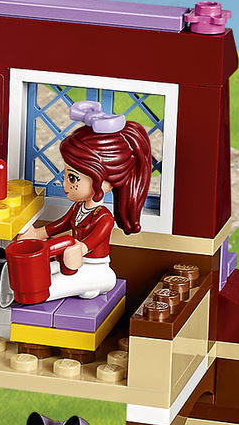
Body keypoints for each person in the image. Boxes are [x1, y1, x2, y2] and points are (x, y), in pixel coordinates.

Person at [35, 100, 157, 301]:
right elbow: (63, 223)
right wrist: (38, 233)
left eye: (72, 178)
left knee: (45, 289)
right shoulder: (79, 207)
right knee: (40, 273)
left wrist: (81, 249)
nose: (65, 184)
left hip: (96, 270)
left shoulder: (104, 217)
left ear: (104, 182)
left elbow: (93, 240)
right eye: (66, 175)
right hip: (76, 263)